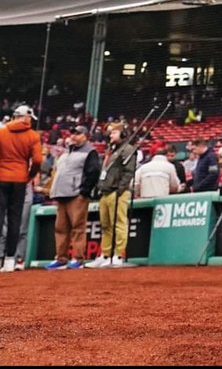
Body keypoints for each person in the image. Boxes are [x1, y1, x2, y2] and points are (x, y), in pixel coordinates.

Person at [45, 125, 100, 270]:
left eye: (78, 133)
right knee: (60, 228)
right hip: (62, 195)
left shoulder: (90, 152)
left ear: (85, 136)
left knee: (77, 227)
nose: (74, 136)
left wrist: (84, 192)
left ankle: (78, 258)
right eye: (72, 133)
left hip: (76, 195)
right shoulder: (65, 153)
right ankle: (61, 258)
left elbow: (94, 172)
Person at [88, 121, 138, 267]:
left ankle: (118, 255)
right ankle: (105, 254)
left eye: (114, 132)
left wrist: (120, 189)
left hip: (117, 192)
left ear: (123, 134)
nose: (111, 135)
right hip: (105, 191)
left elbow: (129, 172)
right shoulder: (111, 150)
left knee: (119, 223)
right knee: (105, 225)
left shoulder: (128, 150)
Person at [0, 104, 42, 273]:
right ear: (26, 117)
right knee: (15, 219)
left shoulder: (2, 132)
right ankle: (10, 259)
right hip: (19, 179)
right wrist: (29, 175)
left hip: (1, 178)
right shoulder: (32, 135)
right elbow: (38, 160)